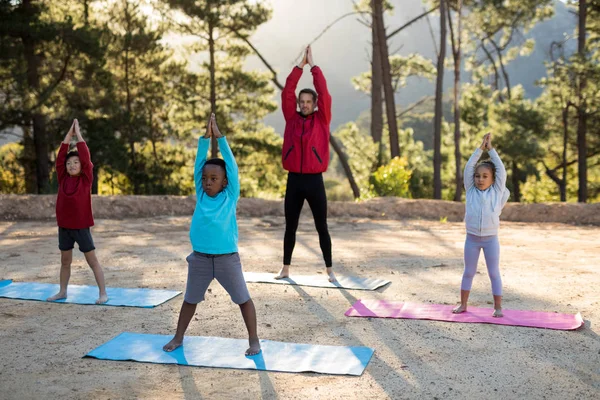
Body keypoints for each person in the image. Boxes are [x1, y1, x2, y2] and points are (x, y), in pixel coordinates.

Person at [163, 114, 260, 356]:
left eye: (214, 179)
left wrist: (220, 138)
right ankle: (178, 337)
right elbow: (198, 166)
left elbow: (232, 166)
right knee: (189, 300)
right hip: (200, 260)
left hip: (227, 259)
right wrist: (205, 141)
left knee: (243, 300)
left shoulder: (230, 196)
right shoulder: (202, 194)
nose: (207, 182)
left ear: (225, 182)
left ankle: (254, 340)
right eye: (205, 179)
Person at [275, 45, 336, 283]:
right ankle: (285, 269)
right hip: (294, 179)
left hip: (314, 180)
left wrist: (314, 67)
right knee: (290, 226)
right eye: (302, 101)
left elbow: (325, 93)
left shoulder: (322, 119)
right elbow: (286, 91)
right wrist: (299, 66)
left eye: (309, 101)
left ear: (315, 103)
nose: (304, 104)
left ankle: (330, 270)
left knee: (322, 226)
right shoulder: (291, 118)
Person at [47, 119, 108, 304]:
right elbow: (60, 156)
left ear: (82, 166)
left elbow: (86, 156)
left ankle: (103, 293)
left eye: (76, 162)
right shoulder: (63, 178)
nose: (72, 165)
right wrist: (68, 135)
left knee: (92, 261)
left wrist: (78, 135)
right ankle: (62, 291)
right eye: (69, 163)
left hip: (81, 228)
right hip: (64, 227)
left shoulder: (86, 179)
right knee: (65, 261)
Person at [453, 133, 510, 317]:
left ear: (493, 179)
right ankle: (463, 305)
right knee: (468, 272)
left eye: (485, 176)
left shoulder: (497, 190)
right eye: (477, 176)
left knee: (494, 273)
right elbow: (469, 167)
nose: (480, 179)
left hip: (490, 239)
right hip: (472, 239)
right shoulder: (470, 190)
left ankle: (498, 307)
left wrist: (491, 150)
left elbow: (501, 169)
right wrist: (479, 149)